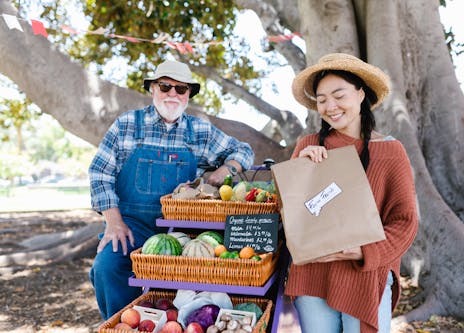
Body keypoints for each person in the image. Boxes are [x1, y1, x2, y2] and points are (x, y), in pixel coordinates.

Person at [88, 59, 255, 319]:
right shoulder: (127, 125)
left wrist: (225, 170)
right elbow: (100, 173)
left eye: (181, 89)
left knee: (187, 294)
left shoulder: (199, 130)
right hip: (132, 226)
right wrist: (114, 222)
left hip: (184, 232)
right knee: (107, 268)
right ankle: (120, 323)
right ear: (152, 88)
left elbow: (243, 150)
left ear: (189, 94)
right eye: (165, 86)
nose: (173, 94)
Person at [285, 53, 419, 333]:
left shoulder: (391, 152)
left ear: (361, 94)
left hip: (365, 278)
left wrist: (364, 251)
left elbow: (405, 221)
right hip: (313, 278)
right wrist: (301, 170)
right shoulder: (307, 146)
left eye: (338, 95)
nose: (330, 106)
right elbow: (289, 215)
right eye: (321, 100)